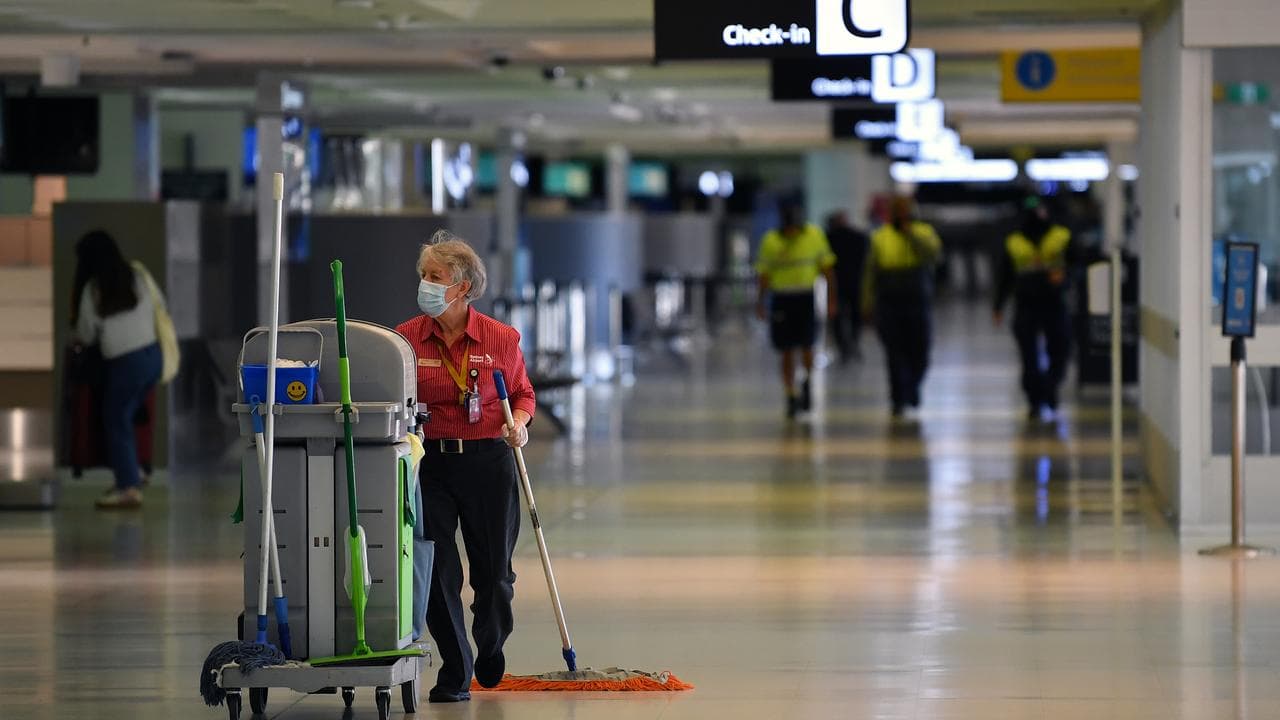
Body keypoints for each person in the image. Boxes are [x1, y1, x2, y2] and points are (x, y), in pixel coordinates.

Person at [395, 231, 536, 704]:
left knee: (494, 574)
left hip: (489, 463)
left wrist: (519, 423)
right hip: (431, 463)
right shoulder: (407, 339)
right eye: (423, 276)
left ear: (463, 287)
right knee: (437, 570)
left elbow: (522, 394)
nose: (425, 285)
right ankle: (456, 669)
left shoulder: (500, 338)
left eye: (435, 278)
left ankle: (491, 642)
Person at [71, 231, 163, 509]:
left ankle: (128, 486)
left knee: (116, 420)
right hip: (152, 356)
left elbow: (86, 333)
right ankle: (133, 471)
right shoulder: (138, 275)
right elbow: (160, 307)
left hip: (125, 362)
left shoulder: (94, 287)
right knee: (128, 417)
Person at [993, 196, 1074, 421]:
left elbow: (1077, 264)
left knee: (1060, 351)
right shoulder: (1014, 241)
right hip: (1026, 304)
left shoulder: (1062, 236)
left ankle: (1050, 389)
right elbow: (1005, 276)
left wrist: (1065, 278)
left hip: (1054, 302)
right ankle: (1035, 400)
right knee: (1029, 357)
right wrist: (998, 306)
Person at [755, 202, 838, 418]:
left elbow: (827, 270)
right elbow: (764, 275)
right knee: (786, 350)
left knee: (807, 345)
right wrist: (760, 302)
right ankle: (790, 392)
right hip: (782, 299)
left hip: (805, 297)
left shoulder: (813, 236)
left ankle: (807, 381)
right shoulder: (771, 240)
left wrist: (831, 300)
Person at [863, 196, 942, 418]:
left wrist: (911, 234)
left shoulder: (924, 232)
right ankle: (898, 397)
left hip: (917, 298)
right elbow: (871, 271)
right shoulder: (880, 236)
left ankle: (913, 385)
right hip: (889, 300)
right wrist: (867, 302)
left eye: (904, 210)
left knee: (920, 351)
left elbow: (934, 255)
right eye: (896, 210)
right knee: (894, 352)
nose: (900, 214)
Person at [825, 210, 870, 364]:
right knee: (853, 315)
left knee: (839, 317)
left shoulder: (829, 238)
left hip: (837, 283)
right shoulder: (859, 237)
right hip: (855, 281)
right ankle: (853, 344)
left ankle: (845, 348)